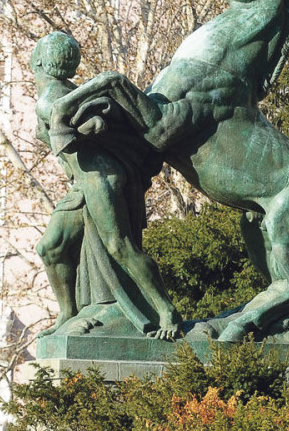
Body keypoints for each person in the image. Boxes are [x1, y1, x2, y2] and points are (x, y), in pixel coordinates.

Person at [31, 32, 180, 341]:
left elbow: (91, 124)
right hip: (82, 183)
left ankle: (166, 310)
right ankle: (67, 313)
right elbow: (91, 125)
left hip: (100, 178)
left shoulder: (52, 99)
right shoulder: (66, 93)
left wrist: (82, 126)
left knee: (120, 246)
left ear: (39, 62)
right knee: (51, 248)